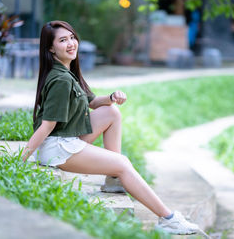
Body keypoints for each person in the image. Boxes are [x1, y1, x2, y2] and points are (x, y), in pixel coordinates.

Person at [21, 20, 199, 235]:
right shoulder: (61, 80)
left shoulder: (68, 73)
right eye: (62, 40)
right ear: (51, 48)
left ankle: (114, 180)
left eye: (72, 38)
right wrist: (21, 158)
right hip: (58, 149)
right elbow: (48, 125)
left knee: (112, 112)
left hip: (66, 139)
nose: (71, 43)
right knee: (123, 163)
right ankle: (168, 218)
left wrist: (112, 97)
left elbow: (93, 103)